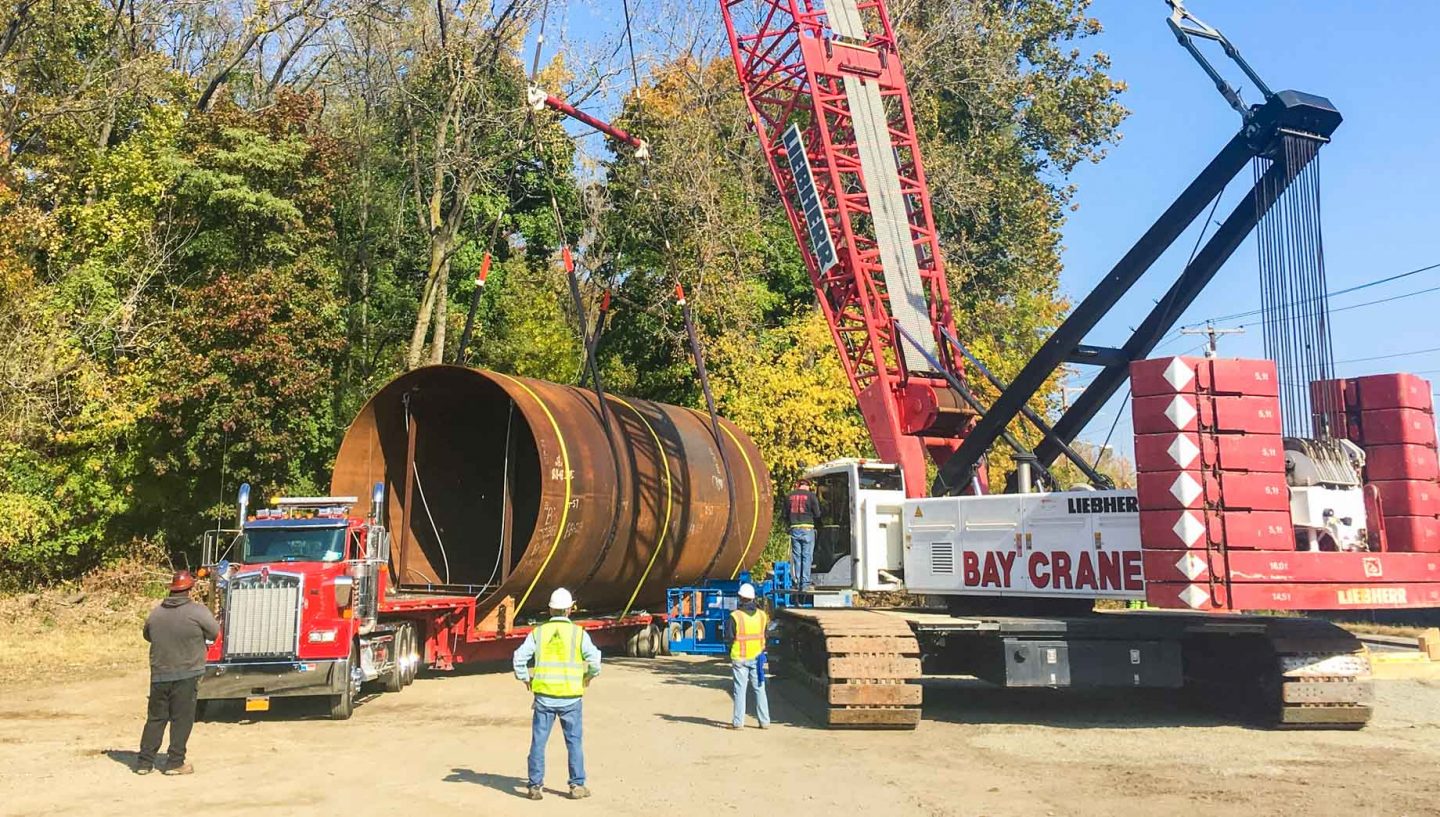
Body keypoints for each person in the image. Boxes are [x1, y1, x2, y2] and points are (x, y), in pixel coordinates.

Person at [512, 587, 601, 801]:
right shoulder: (579, 634)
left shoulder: (538, 633)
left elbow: (518, 658)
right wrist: (588, 676)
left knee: (538, 743)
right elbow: (596, 661)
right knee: (574, 743)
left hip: (544, 698)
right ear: (570, 609)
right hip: (571, 698)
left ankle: (535, 786)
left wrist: (526, 679)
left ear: (550, 610)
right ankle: (577, 786)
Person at [137, 570, 219, 775]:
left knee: (156, 718)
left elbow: (147, 635)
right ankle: (174, 762)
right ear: (189, 589)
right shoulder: (198, 612)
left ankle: (144, 763)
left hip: (159, 674)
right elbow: (214, 632)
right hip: (187, 673)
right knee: (181, 719)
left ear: (172, 590)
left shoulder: (156, 613)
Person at [724, 583, 770, 730]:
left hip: (740, 658)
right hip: (757, 658)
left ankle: (738, 723)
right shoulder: (762, 616)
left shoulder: (735, 616)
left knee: (740, 691)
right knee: (760, 689)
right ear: (753, 598)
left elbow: (729, 638)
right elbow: (765, 635)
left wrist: (730, 651)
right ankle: (764, 721)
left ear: (741, 598)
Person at [786, 479, 822, 590]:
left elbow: (785, 514)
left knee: (797, 556)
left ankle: (797, 580)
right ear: (808, 486)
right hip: (807, 528)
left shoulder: (789, 496)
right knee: (806, 556)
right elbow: (817, 514)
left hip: (794, 528)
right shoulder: (811, 496)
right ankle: (805, 582)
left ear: (798, 485)